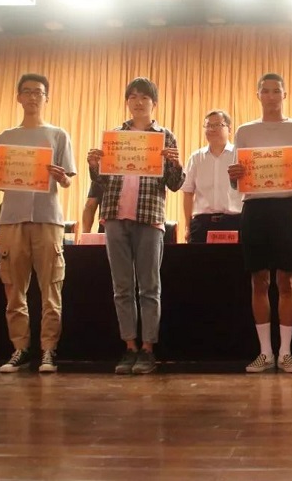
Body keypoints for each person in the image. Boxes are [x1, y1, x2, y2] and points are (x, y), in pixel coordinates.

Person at [0, 73, 76, 373]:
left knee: (51, 288)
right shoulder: (5, 137)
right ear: (18, 97)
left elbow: (67, 181)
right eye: (27, 91)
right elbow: (1, 182)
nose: (33, 97)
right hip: (12, 218)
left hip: (48, 218)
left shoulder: (58, 135)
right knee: (14, 288)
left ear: (46, 98)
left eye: (38, 92)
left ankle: (48, 350)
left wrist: (62, 178)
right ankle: (20, 347)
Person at [87, 77, 185, 375]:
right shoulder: (115, 136)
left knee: (149, 287)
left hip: (149, 218)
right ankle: (129, 346)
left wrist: (174, 164)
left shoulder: (165, 136)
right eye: (133, 97)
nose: (138, 102)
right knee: (122, 287)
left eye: (144, 97)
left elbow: (175, 184)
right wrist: (94, 166)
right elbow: (102, 182)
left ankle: (148, 349)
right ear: (127, 101)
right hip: (115, 216)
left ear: (154, 103)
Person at [227, 73, 292, 373]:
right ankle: (265, 352)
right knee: (259, 280)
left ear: (284, 94)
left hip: (287, 207)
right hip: (254, 208)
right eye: (265, 91)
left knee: (286, 280)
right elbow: (236, 180)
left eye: (276, 90)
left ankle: (286, 353)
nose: (271, 95)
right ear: (258, 95)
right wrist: (234, 175)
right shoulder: (244, 131)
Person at [182, 110, 242, 243]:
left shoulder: (239, 156)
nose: (211, 129)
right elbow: (188, 193)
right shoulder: (196, 158)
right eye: (208, 125)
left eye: (217, 125)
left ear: (229, 129)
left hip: (234, 221)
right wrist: (188, 225)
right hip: (202, 224)